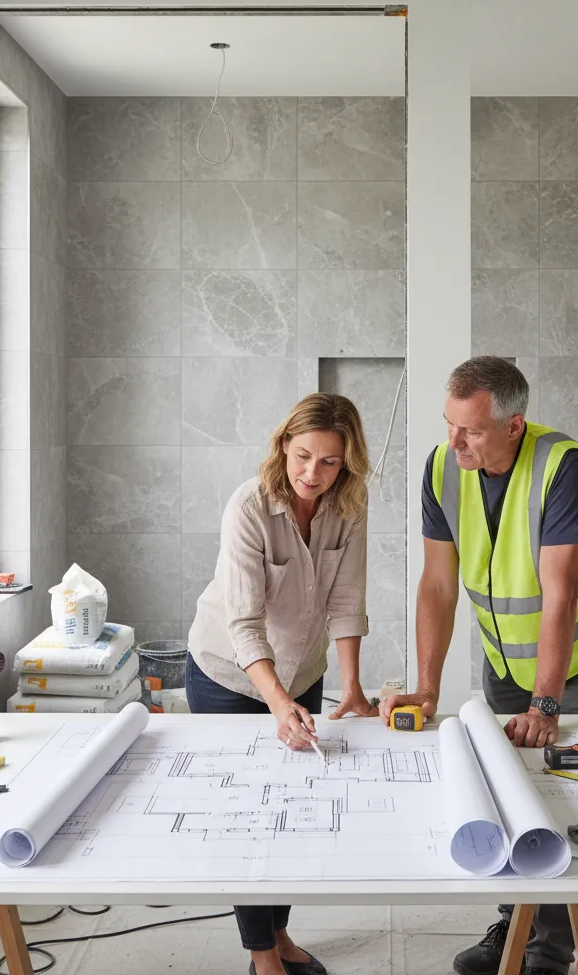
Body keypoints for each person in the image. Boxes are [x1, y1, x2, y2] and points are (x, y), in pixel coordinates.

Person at [380, 356, 578, 975]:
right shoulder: (445, 468)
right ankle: (516, 921)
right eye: (449, 425)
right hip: (505, 657)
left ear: (515, 425)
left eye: (472, 430)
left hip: (576, 659)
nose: (454, 442)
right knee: (507, 792)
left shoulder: (563, 468)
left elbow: (560, 592)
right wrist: (427, 689)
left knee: (558, 793)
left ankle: (550, 952)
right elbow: (437, 584)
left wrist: (547, 701)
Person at [186, 393, 378, 975]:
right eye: (302, 456)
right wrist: (278, 704)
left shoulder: (349, 504)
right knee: (251, 815)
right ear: (282, 447)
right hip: (229, 674)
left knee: (293, 810)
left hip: (304, 669)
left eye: (328, 462)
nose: (311, 474)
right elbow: (243, 622)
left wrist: (352, 687)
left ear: (347, 463)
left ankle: (283, 934)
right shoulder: (248, 505)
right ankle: (262, 956)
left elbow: (347, 599)